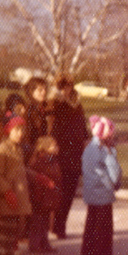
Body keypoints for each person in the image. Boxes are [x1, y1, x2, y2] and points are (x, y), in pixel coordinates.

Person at [0, 115, 31, 255]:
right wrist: (6, 191)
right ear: (8, 131)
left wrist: (38, 177)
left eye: (22, 130)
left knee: (11, 235)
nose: (20, 133)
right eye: (17, 130)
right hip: (6, 200)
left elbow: (22, 171)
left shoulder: (17, 149)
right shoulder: (2, 150)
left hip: (15, 200)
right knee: (5, 236)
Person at [47, 76, 89, 239]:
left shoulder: (77, 104)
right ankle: (54, 226)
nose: (66, 89)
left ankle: (60, 226)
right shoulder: (55, 103)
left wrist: (85, 143)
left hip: (75, 153)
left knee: (69, 192)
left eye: (69, 86)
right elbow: (50, 122)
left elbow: (82, 128)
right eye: (63, 86)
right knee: (58, 193)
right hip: (59, 152)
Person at [80, 116, 121, 255]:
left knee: (90, 224)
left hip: (91, 194)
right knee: (103, 227)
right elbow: (115, 174)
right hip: (104, 193)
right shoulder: (106, 151)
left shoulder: (88, 149)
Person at [26, 136, 61, 253]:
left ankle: (44, 242)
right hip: (40, 196)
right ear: (45, 148)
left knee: (45, 221)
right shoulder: (41, 160)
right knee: (37, 221)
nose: (56, 148)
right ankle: (35, 244)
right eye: (53, 146)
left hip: (48, 196)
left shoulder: (52, 159)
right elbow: (37, 178)